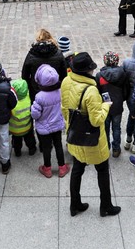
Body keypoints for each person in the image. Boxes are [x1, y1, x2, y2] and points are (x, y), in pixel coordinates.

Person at [62, 52, 121, 217]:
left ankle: (75, 204)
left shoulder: (66, 81)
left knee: (77, 170)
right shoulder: (91, 91)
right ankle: (106, 206)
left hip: (75, 135)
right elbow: (97, 120)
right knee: (102, 171)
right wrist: (106, 106)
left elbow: (64, 108)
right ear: (87, 71)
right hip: (92, 140)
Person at [31, 64, 69, 178]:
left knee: (46, 148)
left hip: (44, 128)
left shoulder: (39, 96)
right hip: (57, 124)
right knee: (58, 145)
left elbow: (35, 114)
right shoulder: (60, 92)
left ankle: (47, 168)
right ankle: (62, 167)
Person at [21, 29, 68, 101]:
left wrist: (31, 86)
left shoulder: (31, 54)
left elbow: (25, 75)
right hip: (54, 89)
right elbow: (64, 75)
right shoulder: (58, 53)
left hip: (36, 90)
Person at [98, 51, 127, 158]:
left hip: (105, 106)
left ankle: (106, 148)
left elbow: (98, 91)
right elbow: (125, 91)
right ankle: (116, 149)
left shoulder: (99, 75)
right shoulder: (122, 74)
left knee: (105, 128)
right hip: (118, 105)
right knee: (117, 128)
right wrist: (120, 99)